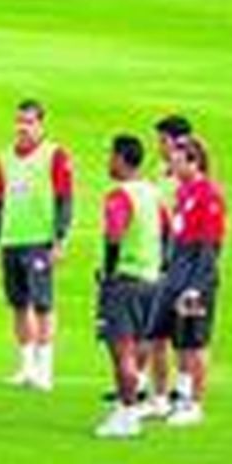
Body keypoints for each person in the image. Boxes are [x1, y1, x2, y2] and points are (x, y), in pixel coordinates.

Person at [0, 99, 72, 391]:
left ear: (40, 124)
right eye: (19, 121)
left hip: (39, 241)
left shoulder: (54, 155)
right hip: (12, 239)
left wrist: (59, 238)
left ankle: (44, 369)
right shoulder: (5, 157)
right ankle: (26, 366)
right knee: (18, 305)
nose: (23, 127)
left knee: (43, 304)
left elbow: (64, 199)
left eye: (29, 121)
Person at [142, 137, 224, 427]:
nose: (170, 166)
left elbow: (210, 246)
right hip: (173, 275)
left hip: (195, 278)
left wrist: (196, 287)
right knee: (156, 336)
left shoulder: (208, 194)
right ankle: (161, 400)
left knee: (193, 343)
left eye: (176, 161)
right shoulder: (184, 192)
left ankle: (194, 404)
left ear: (193, 161)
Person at [93, 135, 168, 439]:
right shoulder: (152, 192)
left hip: (125, 280)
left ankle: (126, 415)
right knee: (140, 347)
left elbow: (114, 236)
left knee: (121, 349)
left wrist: (109, 273)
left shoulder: (119, 196)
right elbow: (166, 231)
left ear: (122, 159)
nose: (108, 162)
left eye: (111, 156)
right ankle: (129, 409)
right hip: (151, 279)